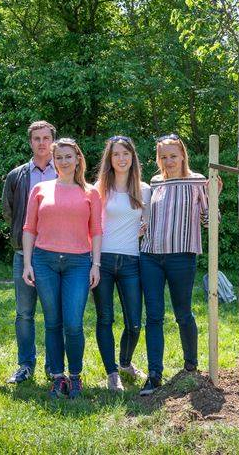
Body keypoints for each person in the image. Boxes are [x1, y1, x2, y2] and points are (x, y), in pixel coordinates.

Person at [139, 134, 220, 396]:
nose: (168, 161)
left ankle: (191, 365)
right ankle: (154, 373)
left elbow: (210, 222)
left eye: (173, 155)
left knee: (183, 313)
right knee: (153, 316)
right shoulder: (155, 182)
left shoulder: (197, 181)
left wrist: (214, 196)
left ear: (183, 155)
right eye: (163, 157)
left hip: (182, 256)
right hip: (150, 256)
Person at [21, 138, 102, 399]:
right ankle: (57, 377)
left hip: (78, 263)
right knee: (52, 322)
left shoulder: (90, 192)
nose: (64, 161)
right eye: (59, 157)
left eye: (68, 156)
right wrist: (27, 263)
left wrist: (96, 265)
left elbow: (97, 231)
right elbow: (29, 228)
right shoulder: (40, 189)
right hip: (44, 261)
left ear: (78, 158)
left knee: (73, 324)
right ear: (53, 161)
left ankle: (75, 376)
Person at [93, 135, 151, 391]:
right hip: (102, 259)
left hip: (131, 261)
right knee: (105, 318)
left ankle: (125, 363)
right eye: (116, 154)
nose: (121, 158)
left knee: (134, 322)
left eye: (126, 153)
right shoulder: (99, 189)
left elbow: (147, 224)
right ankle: (111, 373)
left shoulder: (144, 188)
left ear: (132, 157)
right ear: (110, 158)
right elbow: (91, 225)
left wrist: (143, 229)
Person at [2, 120, 57, 384]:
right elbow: (9, 211)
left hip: (56, 252)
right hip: (24, 253)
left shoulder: (66, 172)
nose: (42, 143)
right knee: (24, 312)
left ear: (53, 141)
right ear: (30, 142)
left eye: (46, 138)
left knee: (53, 312)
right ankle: (25, 364)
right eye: (37, 138)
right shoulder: (17, 176)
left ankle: (53, 364)